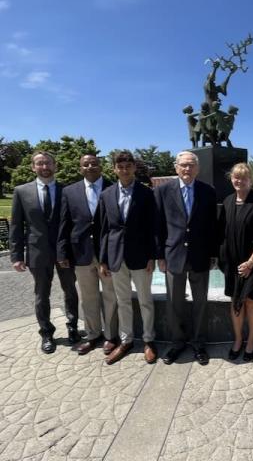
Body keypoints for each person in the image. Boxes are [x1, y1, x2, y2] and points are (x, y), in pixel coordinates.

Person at [9, 151, 79, 354]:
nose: (44, 166)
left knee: (70, 290)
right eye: (40, 163)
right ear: (33, 167)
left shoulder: (66, 190)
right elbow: (16, 226)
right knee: (41, 294)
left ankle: (73, 326)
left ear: (55, 166)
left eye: (48, 163)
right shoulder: (21, 191)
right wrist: (16, 256)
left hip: (63, 251)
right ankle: (46, 333)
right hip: (37, 251)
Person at [154, 151, 217, 366]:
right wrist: (159, 256)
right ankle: (177, 342)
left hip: (200, 256)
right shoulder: (162, 191)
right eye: (183, 165)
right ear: (176, 167)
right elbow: (158, 226)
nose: (187, 169)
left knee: (201, 303)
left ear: (197, 168)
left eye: (191, 165)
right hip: (174, 255)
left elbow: (212, 226)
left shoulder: (208, 191)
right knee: (174, 303)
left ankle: (199, 343)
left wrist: (213, 254)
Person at [99, 151, 157, 365]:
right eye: (120, 166)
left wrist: (152, 255)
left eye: (128, 166)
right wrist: (103, 259)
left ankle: (149, 340)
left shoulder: (146, 194)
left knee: (145, 301)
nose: (124, 170)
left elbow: (153, 228)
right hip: (115, 257)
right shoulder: (106, 195)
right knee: (123, 301)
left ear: (134, 168)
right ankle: (126, 340)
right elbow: (104, 229)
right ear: (114, 169)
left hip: (141, 256)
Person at [57, 154, 119, 356]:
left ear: (101, 166)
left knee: (110, 295)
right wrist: (62, 251)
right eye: (86, 164)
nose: (90, 166)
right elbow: (64, 223)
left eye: (94, 163)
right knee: (88, 297)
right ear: (80, 168)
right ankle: (93, 335)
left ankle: (111, 336)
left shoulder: (113, 187)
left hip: (107, 253)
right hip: (81, 252)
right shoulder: (69, 191)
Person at [219, 163, 253, 362]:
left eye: (243, 177)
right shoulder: (227, 201)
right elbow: (221, 233)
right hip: (232, 264)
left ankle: (251, 340)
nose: (239, 181)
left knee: (251, 301)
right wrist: (222, 259)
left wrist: (250, 263)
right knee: (235, 301)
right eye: (236, 177)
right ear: (231, 179)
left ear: (250, 180)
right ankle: (238, 339)